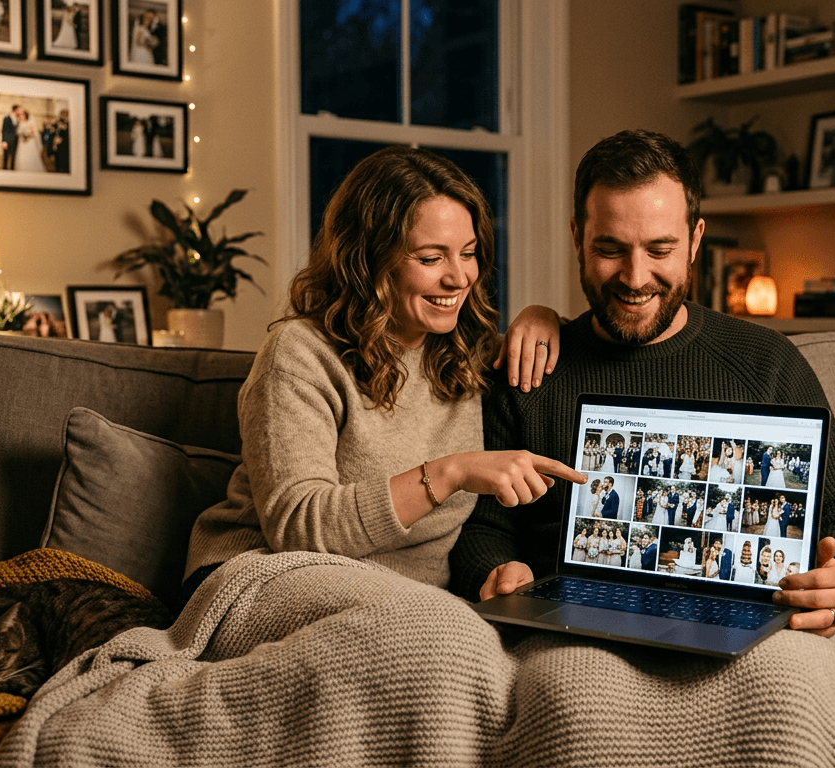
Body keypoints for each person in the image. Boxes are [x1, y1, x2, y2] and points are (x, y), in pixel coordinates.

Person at [450, 129, 835, 640]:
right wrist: (496, 571)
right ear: (577, 238)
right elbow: (480, 527)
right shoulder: (528, 369)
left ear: (696, 240)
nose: (636, 277)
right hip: (580, 631)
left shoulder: (767, 362)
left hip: (744, 623)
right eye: (610, 248)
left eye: (660, 249)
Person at [183, 146, 581, 597]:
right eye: (431, 259)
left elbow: (575, 345)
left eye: (467, 253)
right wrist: (449, 473)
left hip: (407, 597)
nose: (459, 278)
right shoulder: (299, 353)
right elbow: (298, 528)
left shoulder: (466, 353)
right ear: (367, 259)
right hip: (265, 573)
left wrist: (542, 315)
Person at [0, 105, 21, 170]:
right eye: (19, 110)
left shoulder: (18, 120)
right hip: (7, 141)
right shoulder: (7, 118)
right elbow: (4, 130)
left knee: (13, 159)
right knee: (6, 158)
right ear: (15, 110)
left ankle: (12, 171)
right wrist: (4, 141)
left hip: (15, 142)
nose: (20, 111)